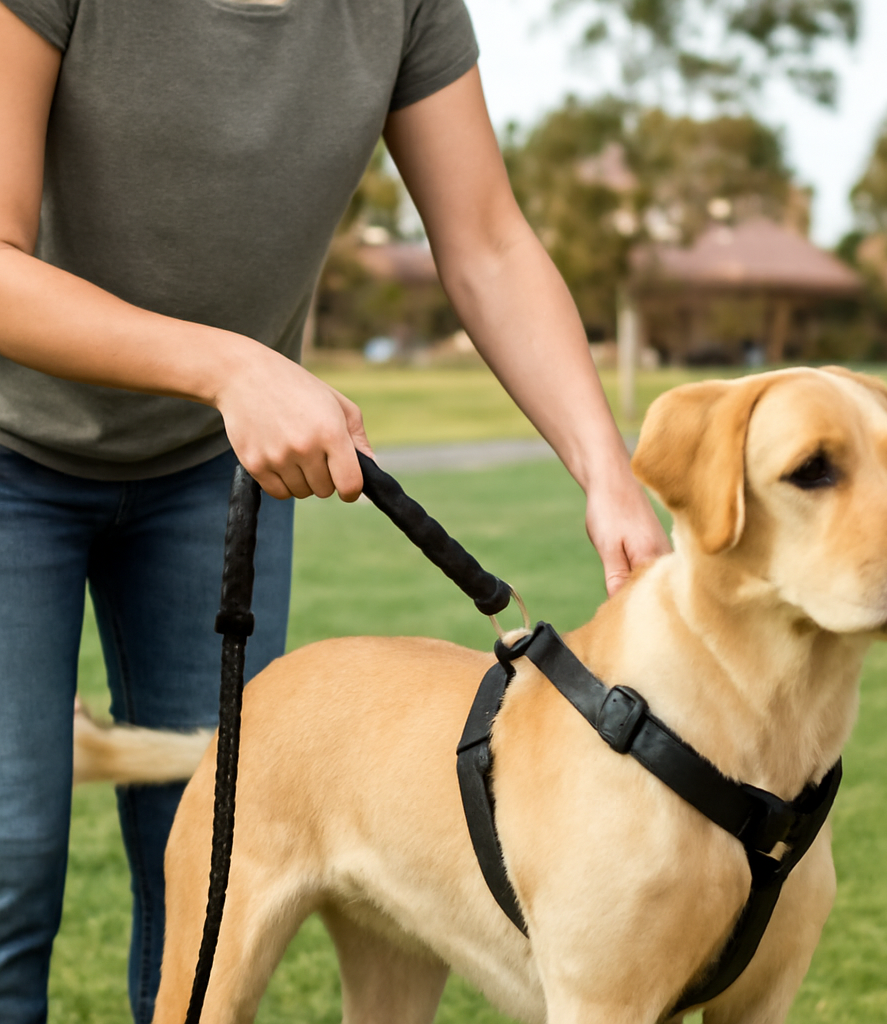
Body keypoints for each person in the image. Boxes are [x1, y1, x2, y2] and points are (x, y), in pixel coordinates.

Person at [0, 0, 671, 1020]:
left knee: (208, 863)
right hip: (11, 451)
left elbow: (486, 242)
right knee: (9, 858)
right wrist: (228, 364)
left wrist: (605, 468)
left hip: (209, 478)